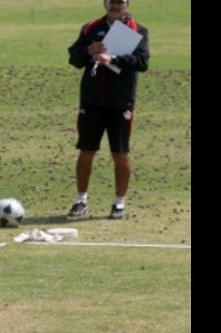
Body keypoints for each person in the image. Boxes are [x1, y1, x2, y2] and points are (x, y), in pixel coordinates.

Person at [66, 0, 149, 220]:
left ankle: (119, 203)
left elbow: (142, 62)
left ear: (127, 4)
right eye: (111, 1)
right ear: (105, 3)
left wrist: (112, 58)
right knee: (86, 151)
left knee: (120, 154)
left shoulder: (137, 30)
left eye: (120, 2)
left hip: (120, 102)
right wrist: (88, 50)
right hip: (92, 100)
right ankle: (80, 200)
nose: (115, 5)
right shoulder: (90, 28)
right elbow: (74, 58)